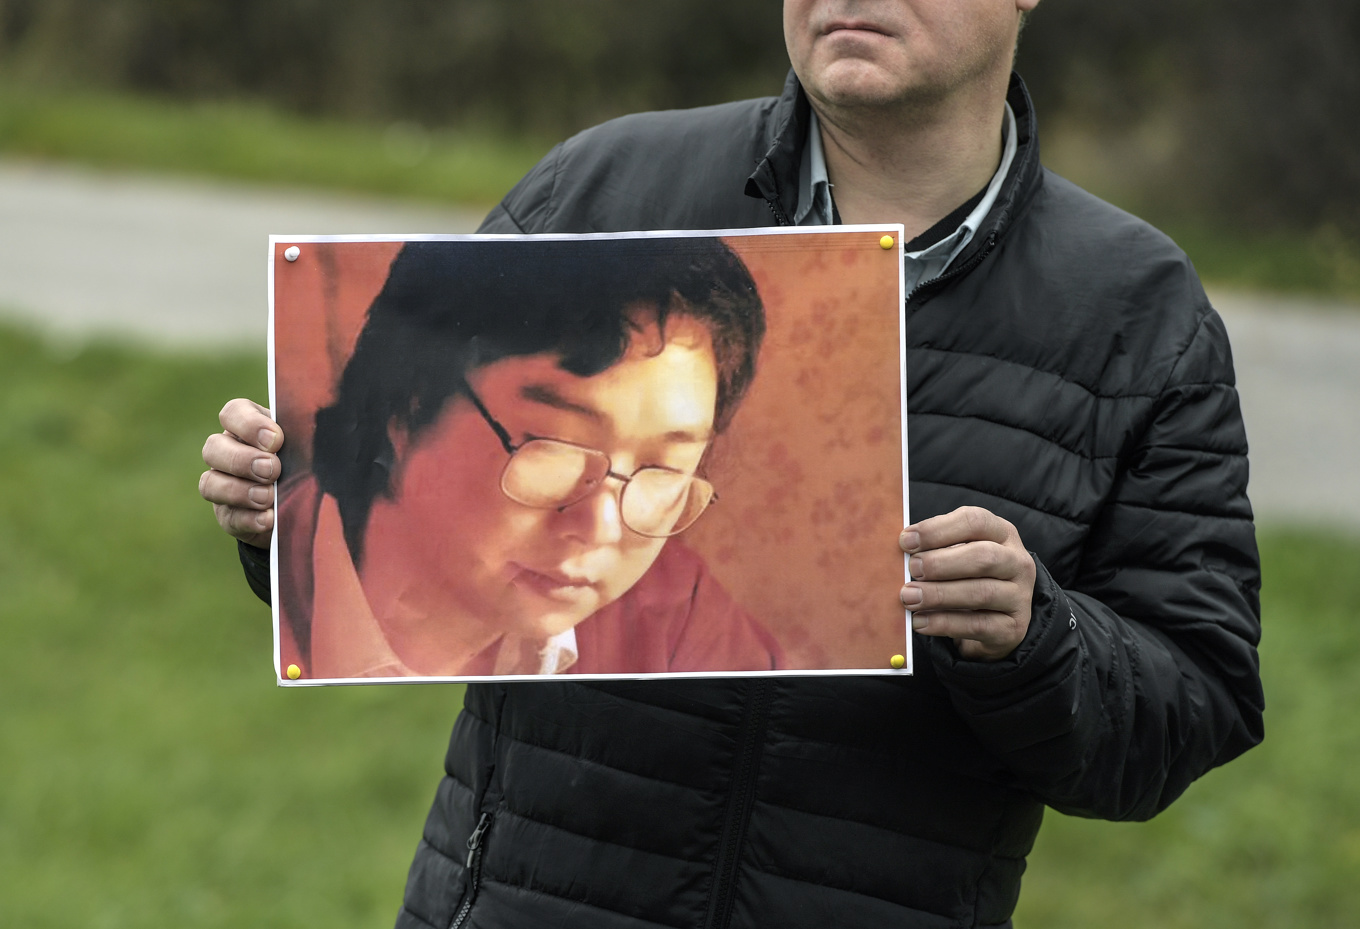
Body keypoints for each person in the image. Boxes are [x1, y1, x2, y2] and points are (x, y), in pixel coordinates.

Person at [200, 1, 1265, 926]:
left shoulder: (1131, 308)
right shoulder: (603, 185)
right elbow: (395, 502)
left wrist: (1038, 640)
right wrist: (284, 505)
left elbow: (1195, 698)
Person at [268, 237, 781, 678]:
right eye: (555, 445)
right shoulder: (262, 549)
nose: (600, 527)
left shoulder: (679, 617)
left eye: (665, 469)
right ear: (408, 403)